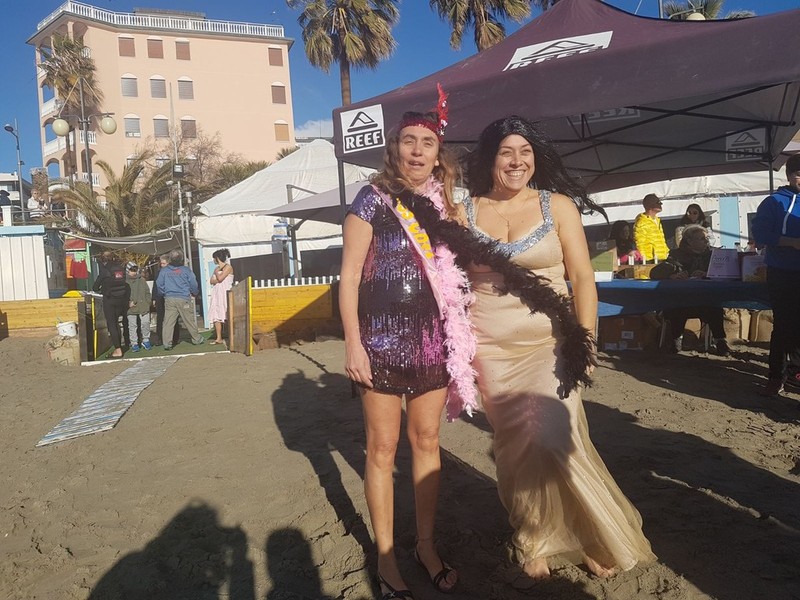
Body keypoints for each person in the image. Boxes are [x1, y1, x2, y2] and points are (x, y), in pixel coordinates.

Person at [454, 116, 655, 580]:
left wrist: (586, 342)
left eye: (525, 152)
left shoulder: (558, 206)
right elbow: (447, 280)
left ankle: (589, 534)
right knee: (516, 446)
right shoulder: (462, 210)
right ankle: (533, 536)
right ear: (489, 158)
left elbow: (582, 278)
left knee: (554, 438)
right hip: (489, 348)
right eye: (506, 152)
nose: (517, 161)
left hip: (551, 343)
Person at [340, 102, 473, 598]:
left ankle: (425, 545)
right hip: (377, 343)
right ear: (394, 148)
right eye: (408, 141)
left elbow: (466, 275)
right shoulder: (371, 199)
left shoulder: (448, 207)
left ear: (439, 154)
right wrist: (353, 344)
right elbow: (349, 277)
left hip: (433, 343)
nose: (417, 151)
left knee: (426, 441)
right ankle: (386, 555)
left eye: (427, 143)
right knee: (381, 448)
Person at [751, 153, 800, 397]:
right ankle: (775, 376)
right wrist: (791, 242)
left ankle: (796, 374)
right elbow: (760, 235)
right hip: (782, 272)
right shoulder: (774, 202)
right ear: (789, 176)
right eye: (799, 174)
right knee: (783, 325)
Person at [649, 225, 730, 356]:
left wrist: (707, 274)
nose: (706, 241)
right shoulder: (676, 256)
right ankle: (676, 339)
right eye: (702, 238)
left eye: (706, 238)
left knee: (715, 307)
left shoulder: (713, 255)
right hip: (682, 300)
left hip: (704, 301)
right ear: (689, 241)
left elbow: (724, 273)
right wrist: (672, 275)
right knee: (676, 307)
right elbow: (655, 273)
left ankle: (720, 341)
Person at [155, 248, 204, 350]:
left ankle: (167, 343)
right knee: (189, 320)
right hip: (184, 298)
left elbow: (159, 284)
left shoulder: (164, 271)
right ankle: (196, 338)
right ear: (181, 259)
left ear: (170, 259)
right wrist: (195, 292)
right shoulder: (186, 270)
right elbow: (193, 283)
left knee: (168, 322)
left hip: (169, 298)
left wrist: (163, 293)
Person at [93, 251, 130, 359]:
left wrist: (101, 289)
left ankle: (118, 350)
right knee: (118, 323)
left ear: (103, 259)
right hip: (121, 299)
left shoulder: (105, 270)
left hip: (109, 300)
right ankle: (123, 344)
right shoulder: (120, 269)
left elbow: (95, 287)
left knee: (112, 324)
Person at [154, 253, 181, 348]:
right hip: (160, 298)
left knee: (173, 318)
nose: (162, 265)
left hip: (171, 297)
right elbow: (155, 286)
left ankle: (175, 338)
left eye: (164, 263)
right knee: (160, 318)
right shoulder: (159, 273)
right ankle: (160, 338)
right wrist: (154, 298)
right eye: (161, 263)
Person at [208, 248, 234, 345]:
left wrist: (216, 273)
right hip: (217, 293)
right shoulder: (217, 268)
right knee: (216, 314)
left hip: (225, 292)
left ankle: (230, 335)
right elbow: (211, 281)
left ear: (217, 258)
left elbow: (220, 278)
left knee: (227, 312)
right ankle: (218, 337)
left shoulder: (228, 267)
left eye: (214, 258)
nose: (213, 260)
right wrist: (216, 276)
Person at [633, 193, 669, 262]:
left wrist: (666, 252)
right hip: (651, 259)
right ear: (649, 205)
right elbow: (640, 243)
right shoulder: (642, 222)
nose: (661, 204)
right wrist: (646, 260)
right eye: (658, 202)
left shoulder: (657, 220)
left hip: (661, 257)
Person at [125, 262, 152, 352]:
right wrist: (128, 303)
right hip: (130, 306)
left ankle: (146, 340)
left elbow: (147, 292)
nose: (134, 272)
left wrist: (148, 302)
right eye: (132, 270)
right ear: (127, 270)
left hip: (143, 305)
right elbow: (122, 295)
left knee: (146, 323)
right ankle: (134, 343)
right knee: (132, 326)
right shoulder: (124, 281)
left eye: (135, 270)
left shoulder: (142, 280)